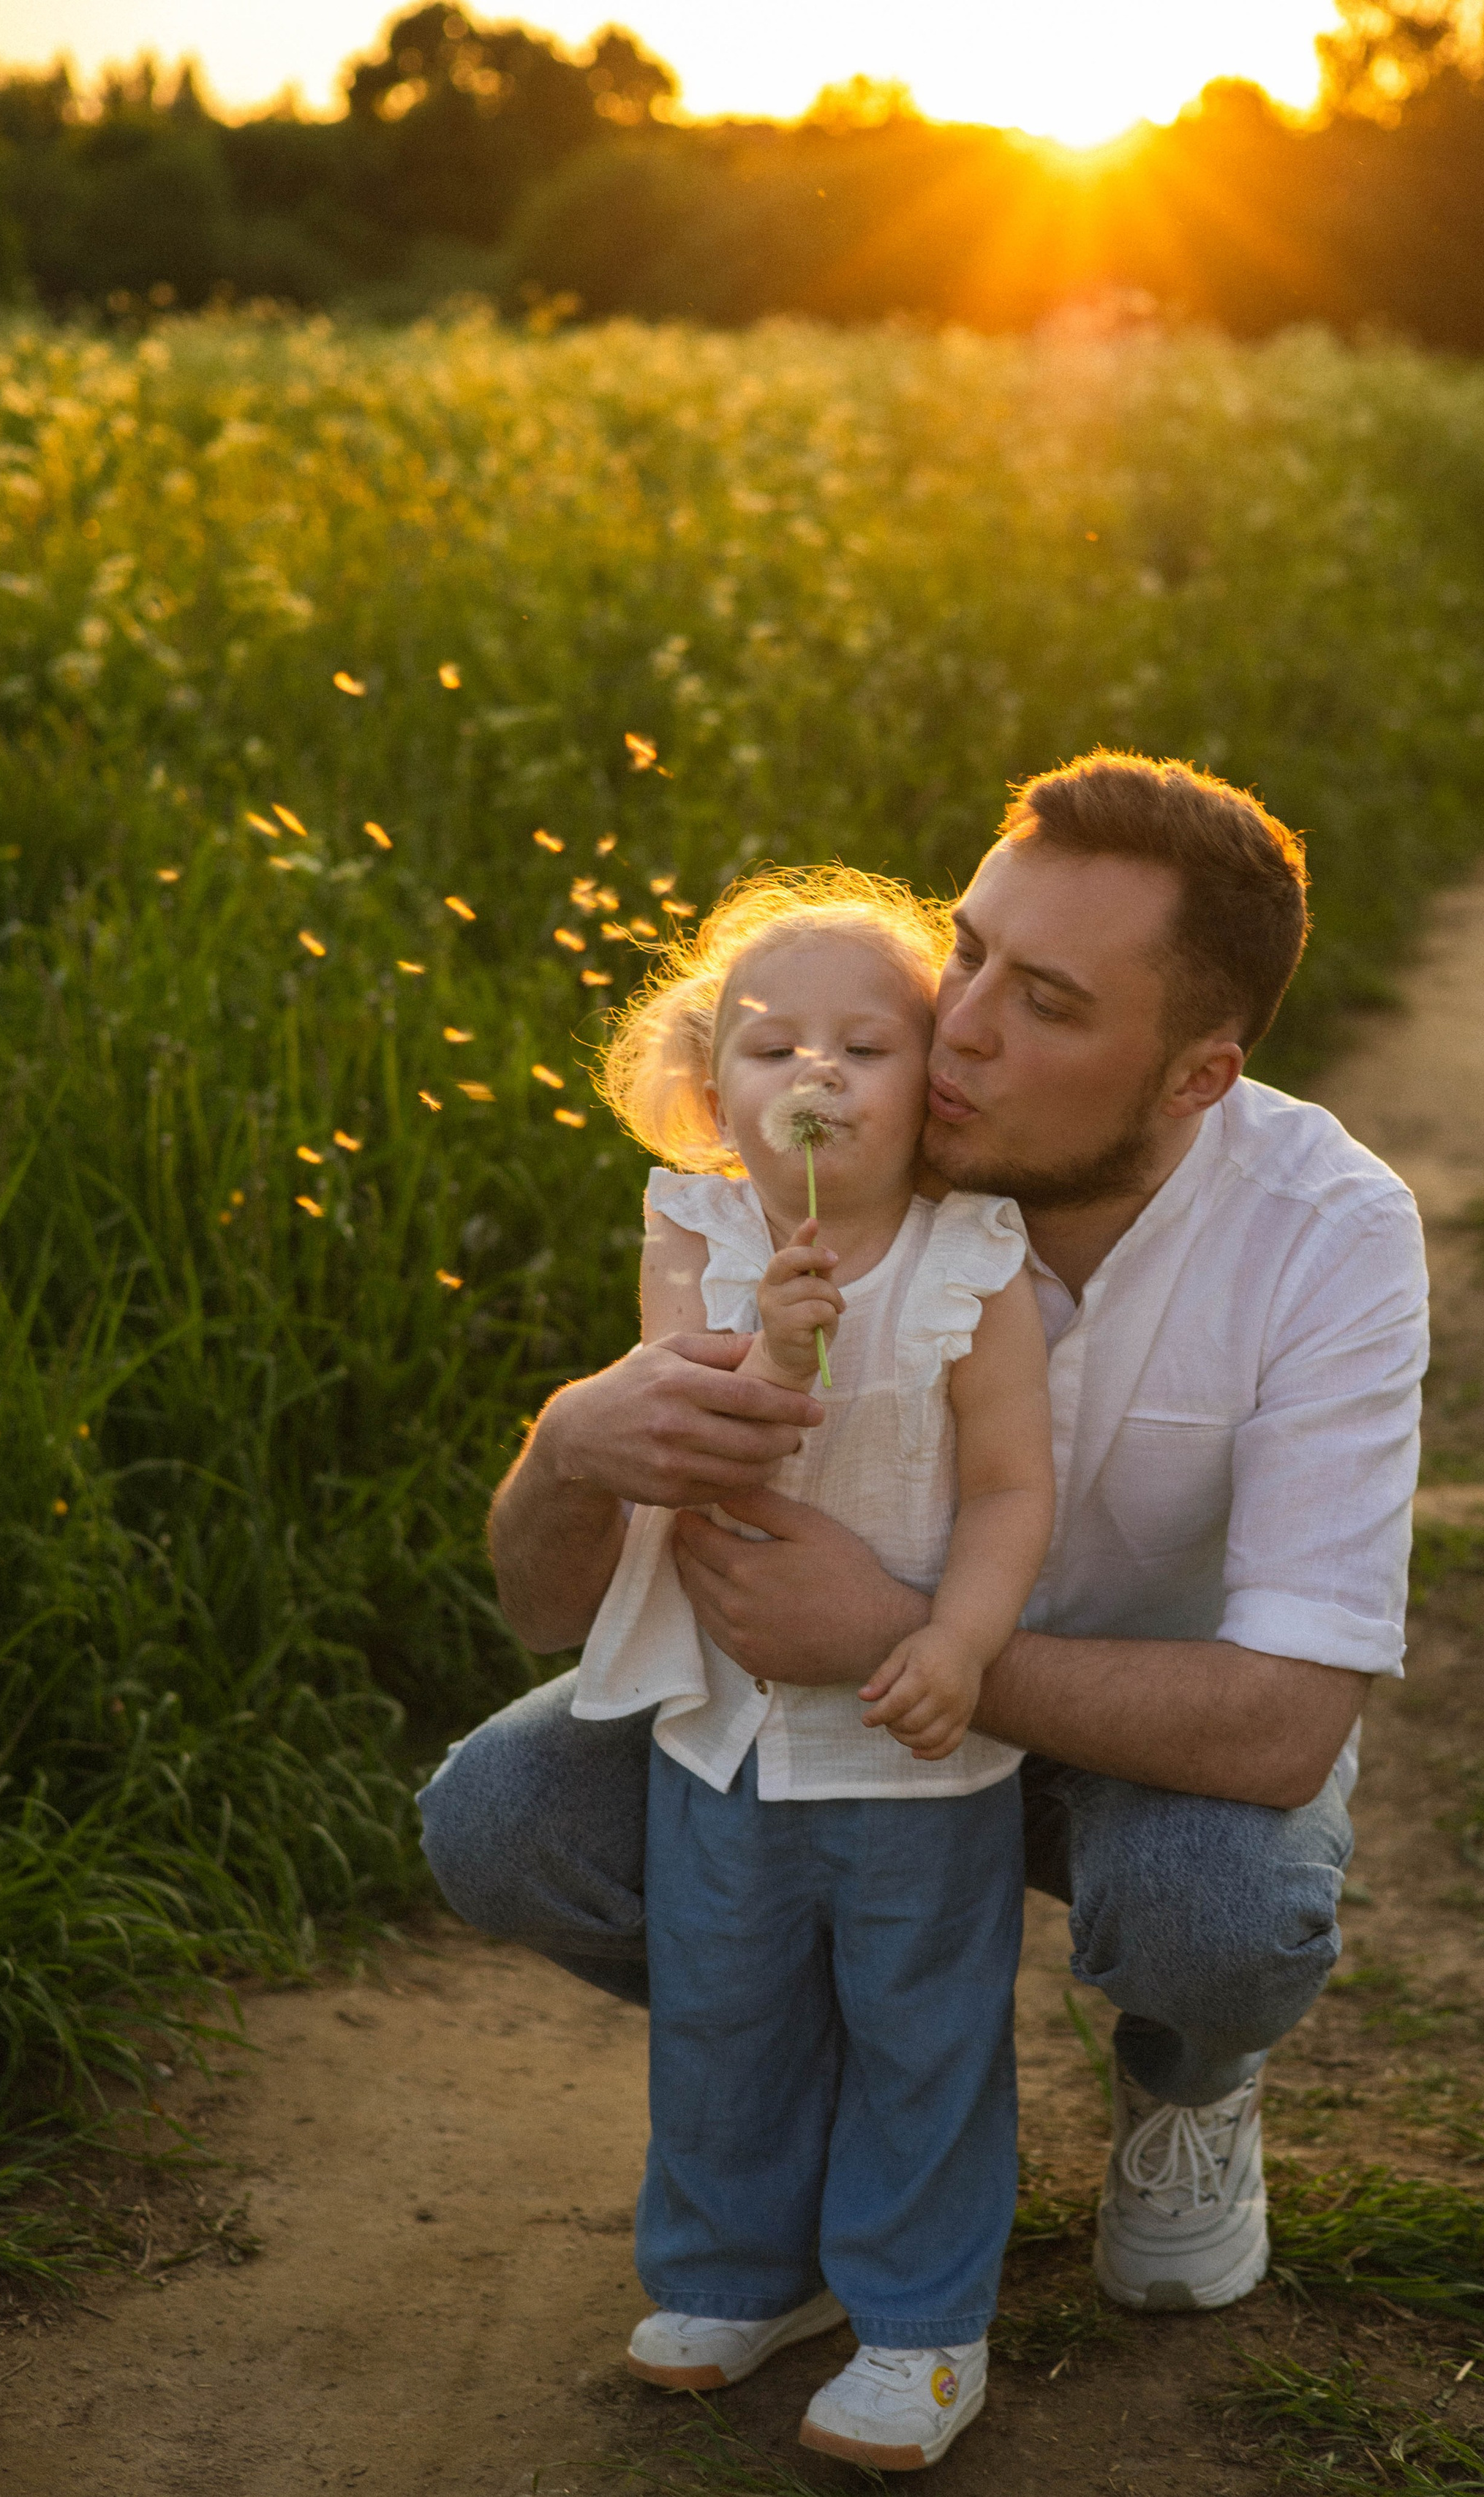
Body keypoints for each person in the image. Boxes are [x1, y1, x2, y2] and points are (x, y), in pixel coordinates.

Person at [419, 751, 1428, 2409]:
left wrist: (901, 1633)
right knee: (500, 1818)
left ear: (1194, 1077)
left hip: (1140, 1741)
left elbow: (1275, 1728)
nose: (954, 1026)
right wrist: (570, 1444)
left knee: (1218, 1912)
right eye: (963, 952)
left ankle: (1184, 2086)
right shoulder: (827, 1156)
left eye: (1042, 1002)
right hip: (815, 1731)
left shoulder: (1325, 1231)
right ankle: (813, 2090)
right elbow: (549, 1610)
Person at [567, 865, 1054, 2469]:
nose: (819, 1079)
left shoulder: (971, 1259)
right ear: (714, 1097)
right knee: (725, 2011)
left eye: (866, 1049)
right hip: (728, 1731)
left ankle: (920, 2323)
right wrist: (769, 1342)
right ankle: (736, 2274)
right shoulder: (693, 1231)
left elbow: (1004, 1488)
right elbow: (708, 1445)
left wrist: (960, 1639)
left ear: (933, 1094)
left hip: (917, 1740)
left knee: (919, 2025)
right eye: (775, 1052)